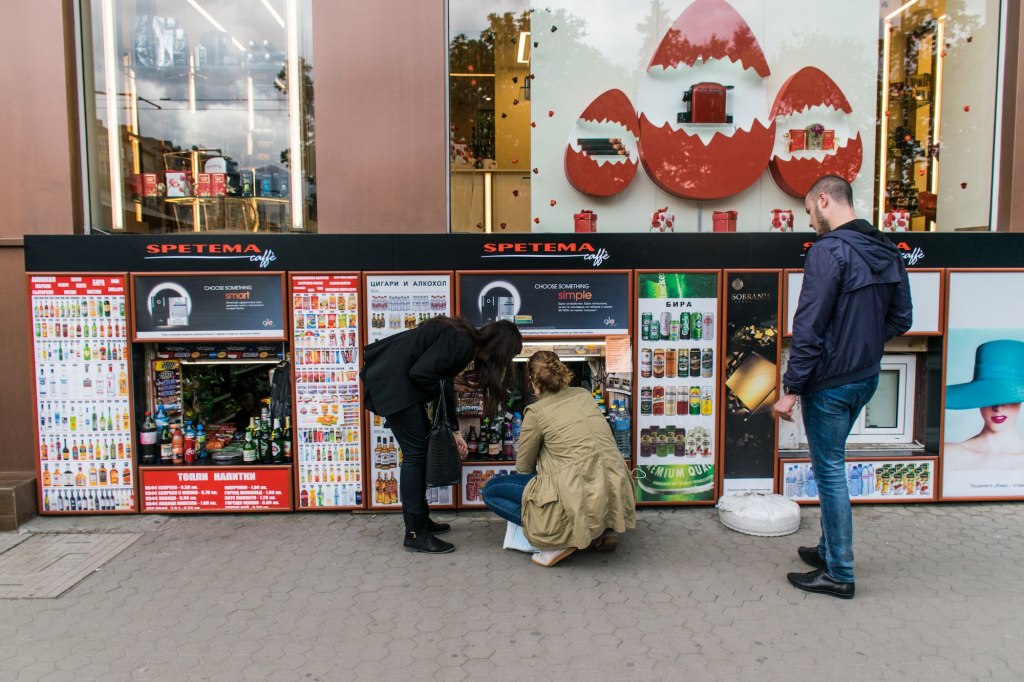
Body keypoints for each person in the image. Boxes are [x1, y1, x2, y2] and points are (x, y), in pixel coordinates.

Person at [773, 175, 912, 599]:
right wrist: (862, 345)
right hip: (865, 378)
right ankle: (827, 549)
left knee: (830, 472)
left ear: (823, 199)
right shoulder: (886, 250)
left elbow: (809, 326)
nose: (809, 219)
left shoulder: (828, 252)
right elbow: (900, 319)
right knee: (832, 465)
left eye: (808, 210)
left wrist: (791, 388)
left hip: (830, 384)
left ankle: (840, 572)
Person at [360, 316, 522, 554]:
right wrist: (451, 389)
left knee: (419, 452)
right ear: (499, 349)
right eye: (509, 356)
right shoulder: (463, 343)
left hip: (397, 387)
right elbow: (422, 374)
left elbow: (435, 379)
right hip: (395, 389)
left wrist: (455, 429)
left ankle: (421, 521)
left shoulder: (463, 337)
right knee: (415, 455)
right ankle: (415, 533)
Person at [481, 351, 636, 567]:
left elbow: (524, 467)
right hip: (613, 482)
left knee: (491, 490)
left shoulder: (536, 412)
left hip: (577, 488)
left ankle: (558, 538)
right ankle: (604, 529)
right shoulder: (583, 394)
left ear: (532, 381)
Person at [943, 339, 1024, 469]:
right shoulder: (949, 454)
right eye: (989, 396)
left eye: (1008, 397)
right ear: (978, 398)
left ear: (1020, 399)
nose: (998, 408)